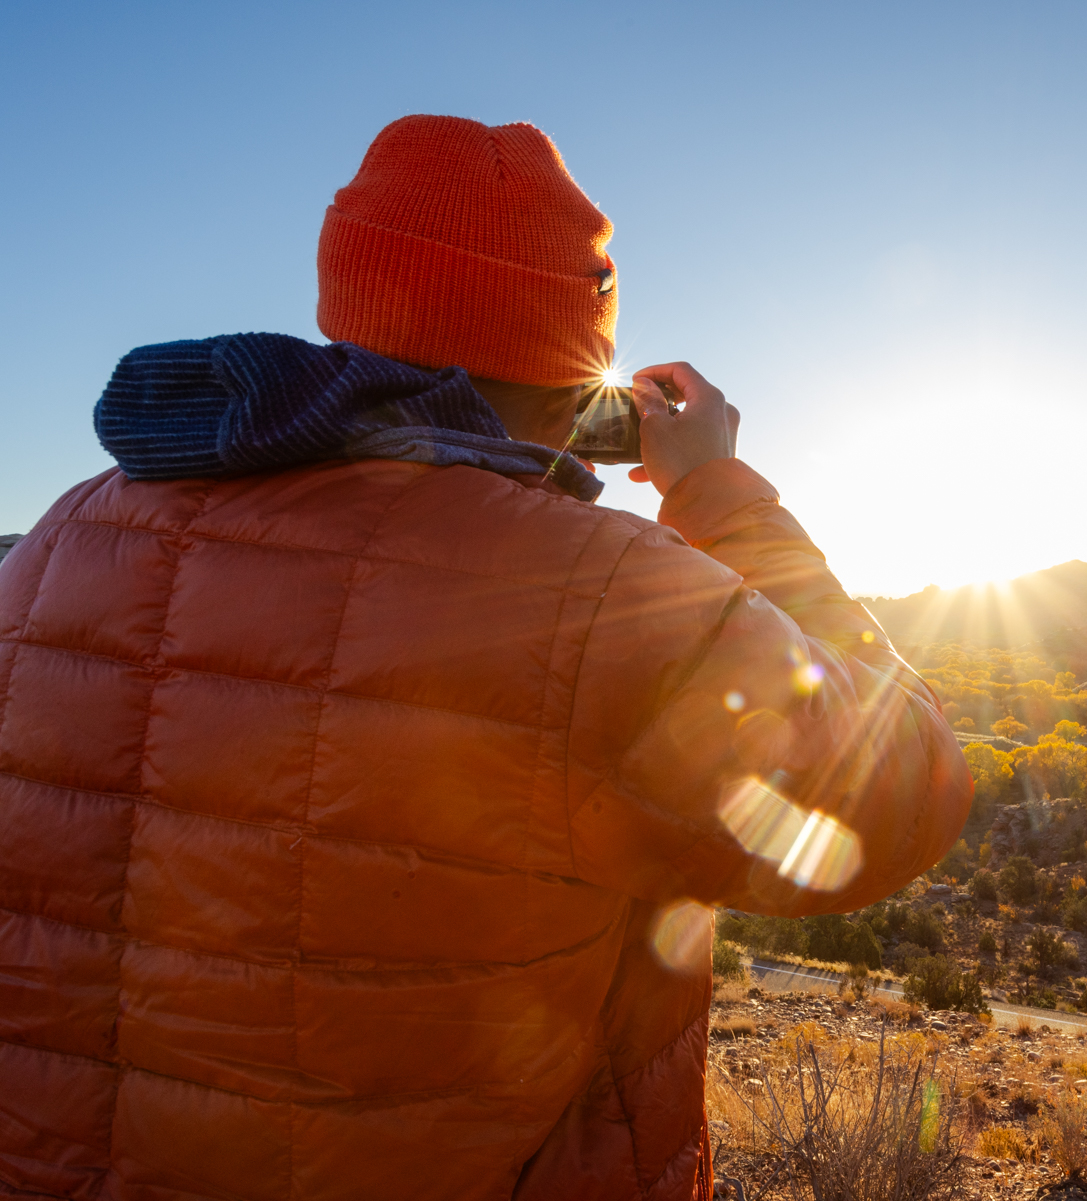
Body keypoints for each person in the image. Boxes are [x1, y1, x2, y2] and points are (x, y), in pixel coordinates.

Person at [0, 115, 971, 1201]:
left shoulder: (67, 533)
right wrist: (722, 498)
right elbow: (900, 796)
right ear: (576, 359)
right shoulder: (603, 591)